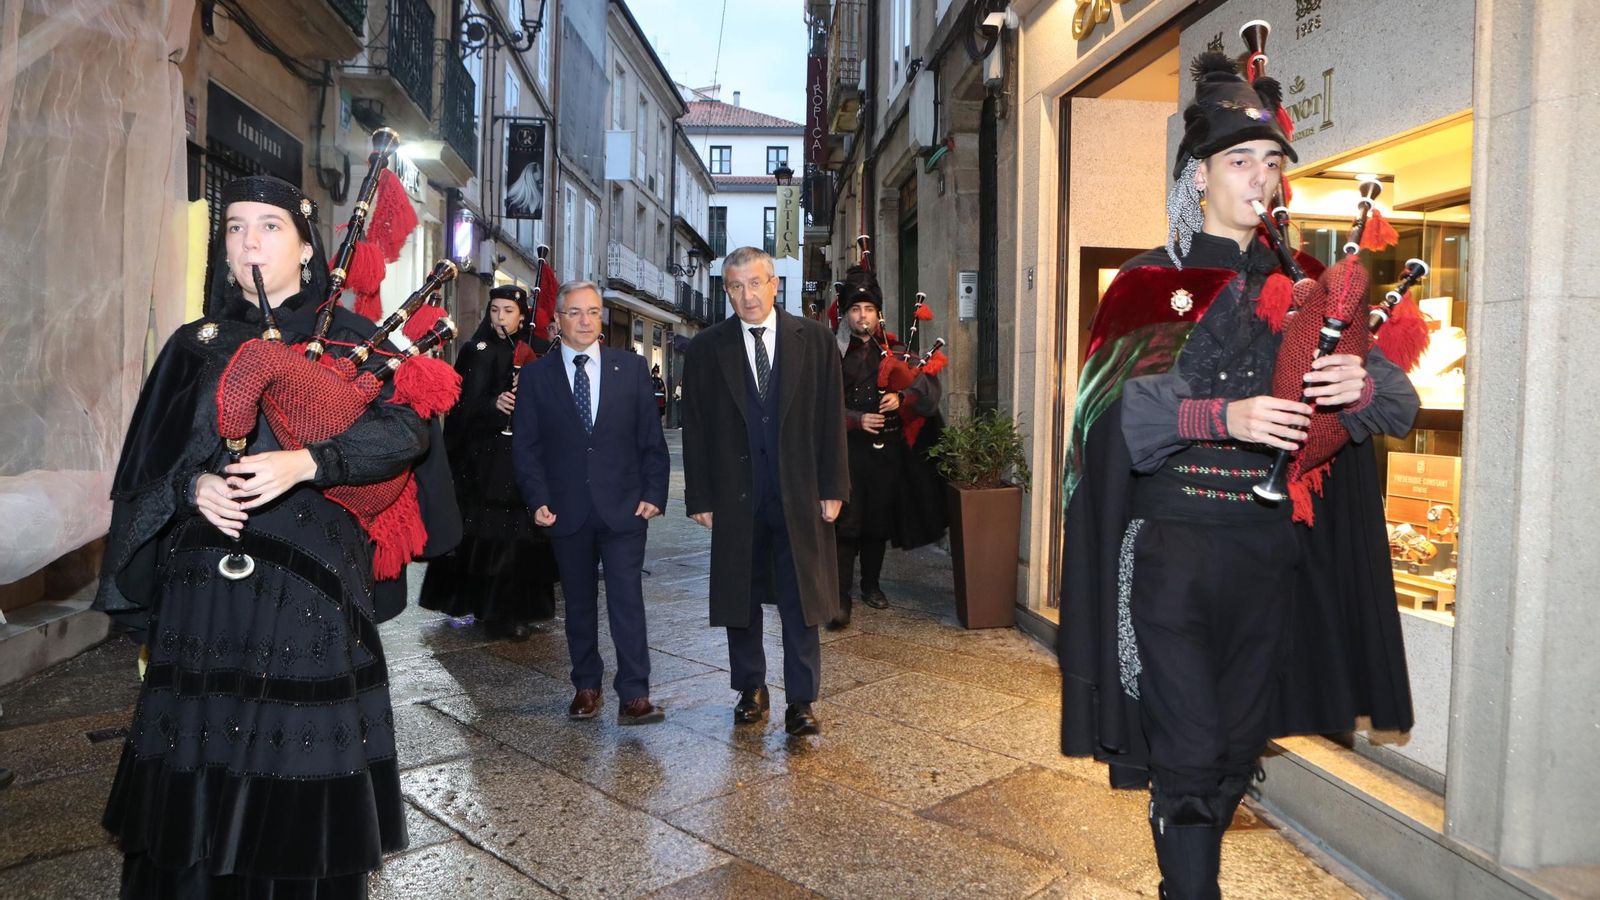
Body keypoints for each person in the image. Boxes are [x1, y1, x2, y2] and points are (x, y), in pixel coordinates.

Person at [1056, 52, 1417, 900]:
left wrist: (1359, 384)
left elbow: (1392, 403)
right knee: (1184, 751)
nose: (1260, 177)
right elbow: (1111, 425)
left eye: (1271, 162)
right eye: (1240, 161)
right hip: (1170, 552)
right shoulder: (1148, 286)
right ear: (1199, 177)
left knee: (1231, 748)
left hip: (1270, 556)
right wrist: (1225, 417)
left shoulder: (1304, 290)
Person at [93, 175, 423, 897]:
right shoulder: (193, 345)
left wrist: (311, 461)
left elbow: (406, 432)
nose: (248, 241)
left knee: (294, 770)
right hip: (205, 600)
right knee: (199, 770)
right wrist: (193, 488)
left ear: (307, 246)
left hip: (308, 595)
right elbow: (145, 472)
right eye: (236, 226)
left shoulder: (356, 342)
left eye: (270, 226)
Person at [680, 246, 849, 736]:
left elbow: (831, 420)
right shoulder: (708, 348)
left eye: (756, 283)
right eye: (736, 286)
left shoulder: (814, 341)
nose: (747, 295)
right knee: (740, 595)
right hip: (736, 495)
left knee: (803, 598)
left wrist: (834, 485)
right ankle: (750, 687)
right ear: (726, 291)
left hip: (799, 492)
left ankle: (801, 699)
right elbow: (695, 428)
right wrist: (700, 496)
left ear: (775, 284)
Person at [512, 281, 670, 725]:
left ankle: (635, 694)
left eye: (593, 312)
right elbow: (526, 447)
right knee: (578, 603)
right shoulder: (537, 376)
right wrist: (537, 498)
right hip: (565, 509)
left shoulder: (632, 369)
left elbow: (651, 442)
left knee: (627, 600)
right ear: (557, 320)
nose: (586, 321)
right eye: (576, 313)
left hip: (623, 507)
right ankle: (586, 685)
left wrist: (653, 495)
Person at [419, 284, 558, 641]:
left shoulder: (538, 352)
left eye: (508, 311)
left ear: (522, 314)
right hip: (483, 463)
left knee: (520, 540)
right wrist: (492, 406)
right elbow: (460, 406)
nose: (500, 318)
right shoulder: (473, 351)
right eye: (495, 310)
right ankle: (489, 608)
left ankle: (519, 610)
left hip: (524, 461)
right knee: (486, 536)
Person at [829, 267, 947, 629]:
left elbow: (928, 396)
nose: (862, 315)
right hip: (847, 451)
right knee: (847, 523)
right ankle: (840, 596)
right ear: (846, 315)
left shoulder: (897, 351)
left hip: (886, 454)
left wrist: (903, 397)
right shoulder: (832, 355)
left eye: (868, 309)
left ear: (879, 314)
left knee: (877, 521)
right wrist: (855, 419)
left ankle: (872, 586)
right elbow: (820, 405)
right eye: (855, 309)